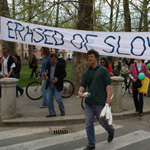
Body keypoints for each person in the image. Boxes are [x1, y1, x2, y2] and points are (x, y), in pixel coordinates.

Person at [78, 49, 114, 150]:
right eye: (88, 56)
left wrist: (108, 98)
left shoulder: (103, 70)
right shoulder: (87, 72)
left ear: (96, 58)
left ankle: (111, 131)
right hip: (89, 102)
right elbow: (83, 85)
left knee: (102, 122)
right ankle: (91, 144)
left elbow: (108, 85)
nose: (89, 58)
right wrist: (80, 92)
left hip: (100, 101)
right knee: (88, 123)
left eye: (91, 56)